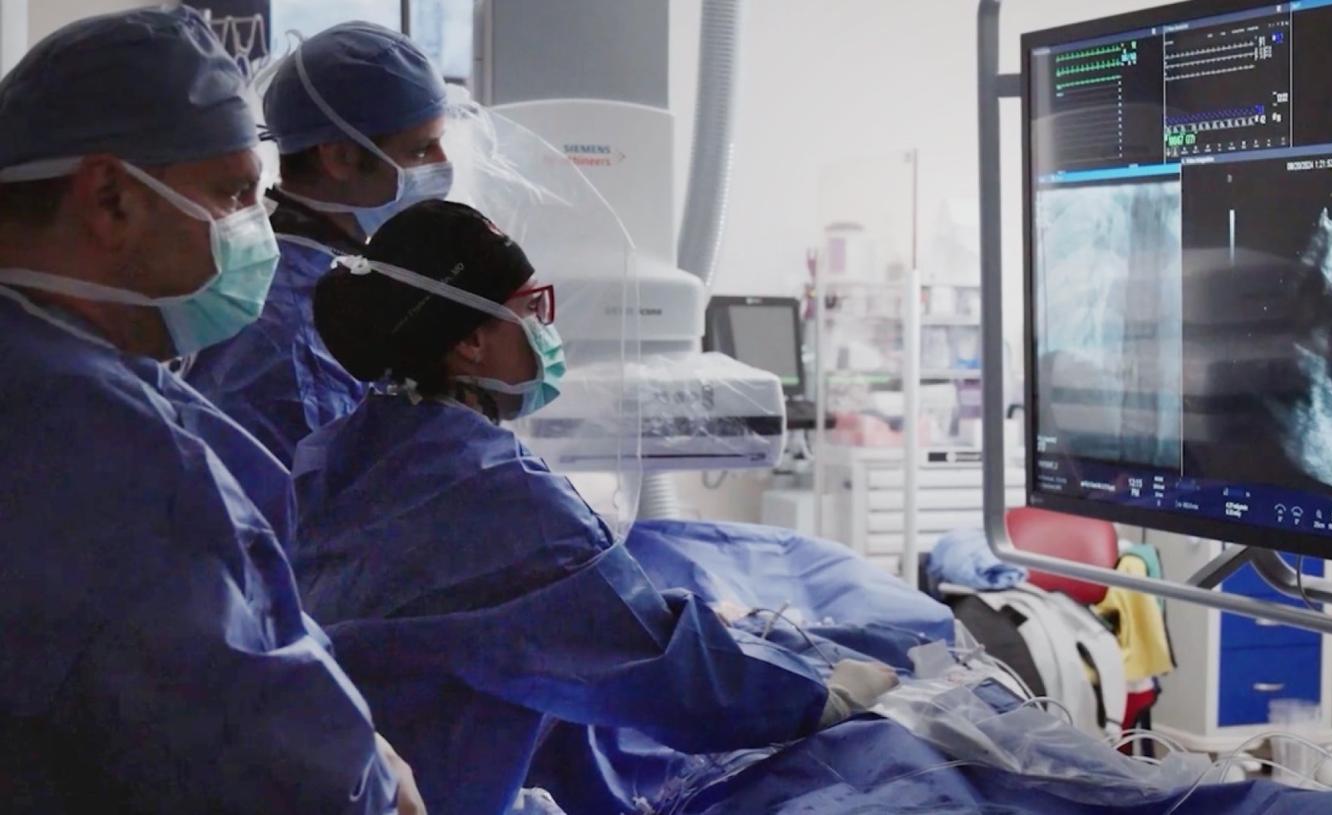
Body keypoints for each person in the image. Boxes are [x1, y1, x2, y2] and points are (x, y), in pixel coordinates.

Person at [293, 199, 899, 815]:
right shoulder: (487, 491)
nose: (546, 330)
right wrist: (818, 697)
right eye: (532, 310)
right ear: (472, 342)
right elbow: (666, 673)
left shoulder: (351, 451)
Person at [0, 9, 424, 813]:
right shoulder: (91, 445)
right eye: (233, 193)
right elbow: (274, 767)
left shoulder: (67, 372)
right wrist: (367, 774)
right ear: (110, 199)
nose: (254, 227)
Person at [185, 21, 453, 468]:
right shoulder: (295, 322)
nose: (444, 166)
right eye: (422, 151)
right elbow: (314, 510)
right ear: (339, 156)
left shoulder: (320, 269)